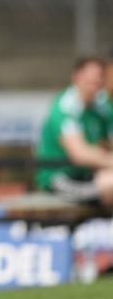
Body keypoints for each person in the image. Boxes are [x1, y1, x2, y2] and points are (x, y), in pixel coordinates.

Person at [36, 57, 113, 207]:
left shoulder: (102, 108)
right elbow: (80, 154)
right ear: (76, 77)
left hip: (87, 175)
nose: (95, 83)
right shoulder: (65, 107)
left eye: (99, 78)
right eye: (90, 78)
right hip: (59, 179)